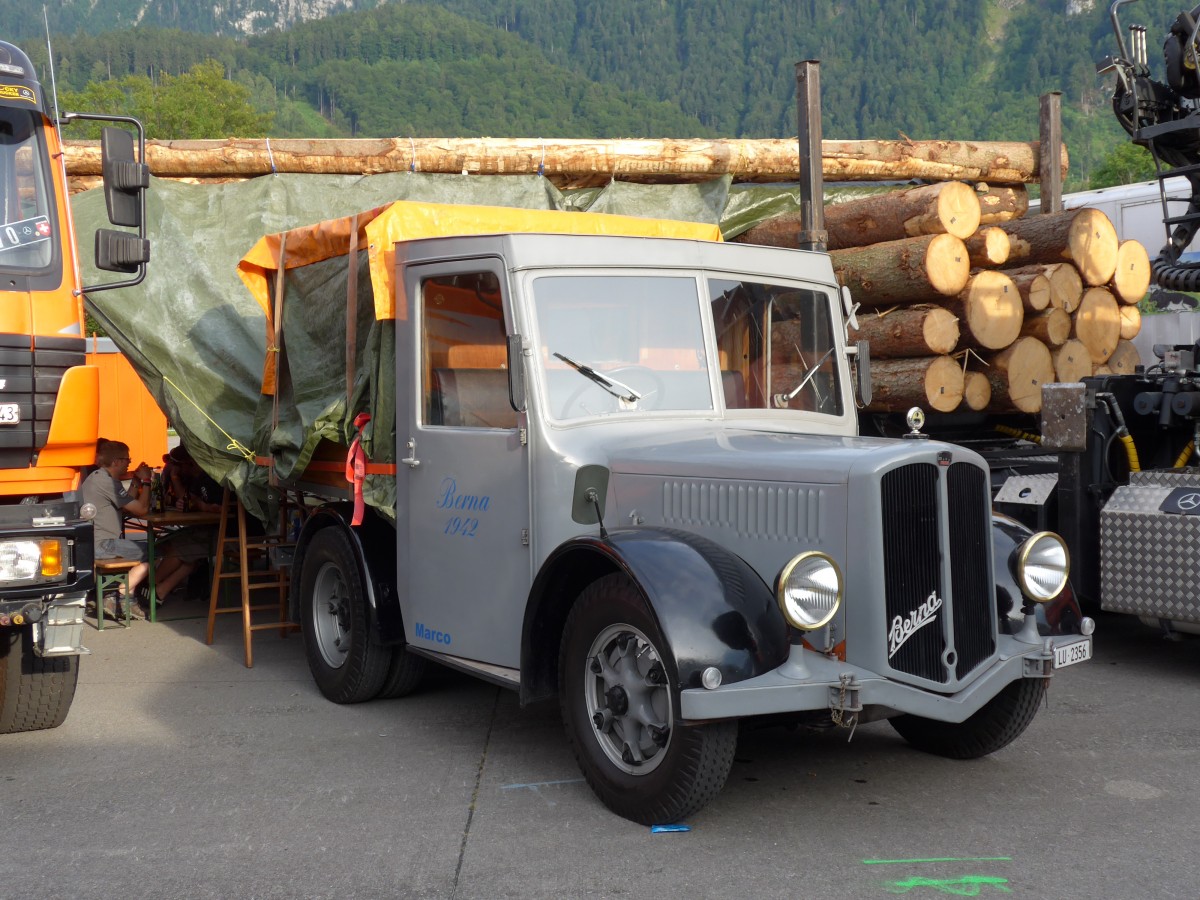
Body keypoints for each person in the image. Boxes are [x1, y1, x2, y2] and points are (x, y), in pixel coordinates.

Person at [81, 440, 153, 619]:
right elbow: (141, 509)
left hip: (95, 541)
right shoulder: (107, 482)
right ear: (116, 462)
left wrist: (135, 481)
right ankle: (124, 593)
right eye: (127, 460)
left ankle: (117, 595)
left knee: (142, 550)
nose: (129, 463)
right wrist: (147, 481)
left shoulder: (100, 478)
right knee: (152, 551)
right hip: (103, 544)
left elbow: (126, 503)